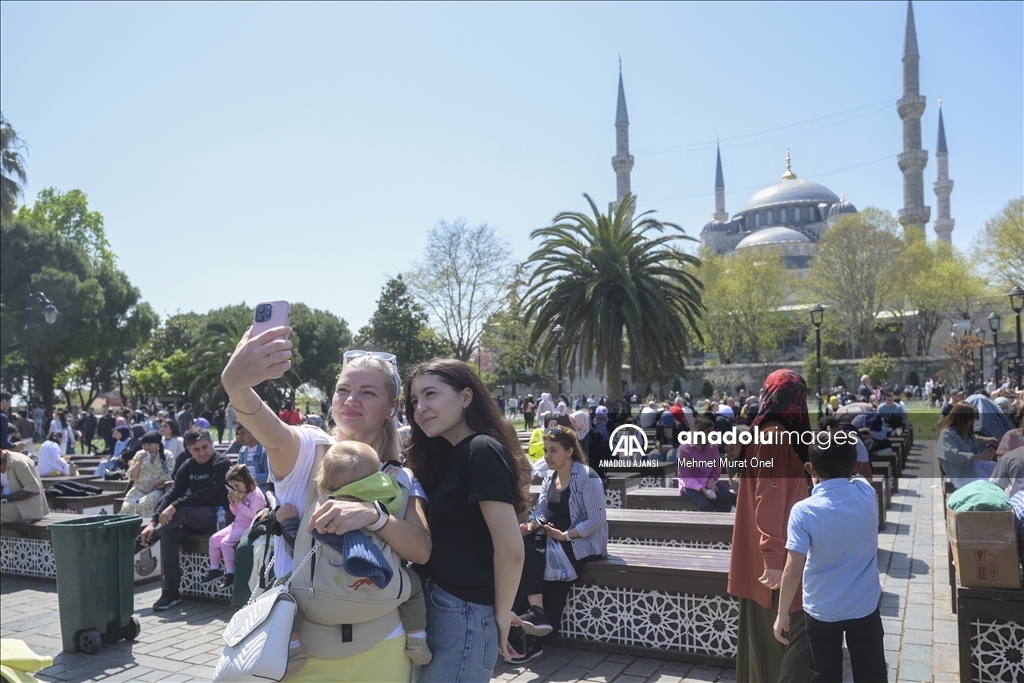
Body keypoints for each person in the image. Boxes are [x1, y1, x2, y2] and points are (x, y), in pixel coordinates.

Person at [221, 330, 431, 683]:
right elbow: (268, 428)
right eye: (344, 390)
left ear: (392, 408)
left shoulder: (401, 476)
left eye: (368, 393)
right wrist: (236, 386)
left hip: (385, 649)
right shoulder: (306, 450)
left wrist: (375, 516)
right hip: (299, 655)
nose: (351, 400)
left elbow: (421, 549)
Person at [404, 359, 531, 681]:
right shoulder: (446, 456)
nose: (420, 407)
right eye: (415, 400)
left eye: (430, 394)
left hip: (465, 614)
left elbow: (510, 548)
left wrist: (501, 616)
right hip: (441, 607)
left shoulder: (482, 450)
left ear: (465, 396)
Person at [276, 440, 432, 666]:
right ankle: (417, 640)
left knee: (285, 591)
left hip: (318, 603)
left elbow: (299, 547)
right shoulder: (390, 495)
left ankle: (292, 650)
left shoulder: (323, 506)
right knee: (413, 585)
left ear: (324, 479)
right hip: (384, 599)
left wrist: (288, 522)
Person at [774, 439, 886, 683]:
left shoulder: (803, 511)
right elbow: (854, 476)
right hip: (864, 604)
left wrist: (782, 614)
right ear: (855, 466)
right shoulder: (866, 492)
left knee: (824, 674)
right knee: (873, 673)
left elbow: (792, 570)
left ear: (809, 469)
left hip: (822, 608)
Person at [729, 369, 812, 683]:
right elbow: (769, 498)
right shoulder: (775, 435)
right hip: (776, 559)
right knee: (781, 636)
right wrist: (774, 559)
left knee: (766, 638)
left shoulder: (766, 432)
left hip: (768, 552)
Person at [516, 425, 607, 662]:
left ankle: (537, 633)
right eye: (545, 450)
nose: (547, 456)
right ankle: (535, 619)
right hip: (552, 537)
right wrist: (531, 526)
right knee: (524, 547)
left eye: (553, 450)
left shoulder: (587, 476)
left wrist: (565, 536)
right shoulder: (549, 477)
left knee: (536, 558)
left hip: (581, 541)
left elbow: (596, 520)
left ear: (569, 451)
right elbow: (542, 513)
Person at [138, 427, 231, 611]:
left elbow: (206, 494)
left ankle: (143, 542)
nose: (202, 452)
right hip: (192, 518)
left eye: (205, 447)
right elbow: (172, 494)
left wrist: (176, 506)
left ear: (211, 443)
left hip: (220, 518)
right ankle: (171, 592)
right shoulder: (187, 466)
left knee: (183, 511)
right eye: (196, 449)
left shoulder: (222, 463)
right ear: (188, 449)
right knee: (169, 535)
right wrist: (153, 522)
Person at [201, 464, 266, 591]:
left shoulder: (256, 494)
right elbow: (237, 513)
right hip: (237, 524)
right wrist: (233, 504)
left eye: (237, 485)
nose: (235, 488)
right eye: (232, 487)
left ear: (245, 480)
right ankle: (214, 570)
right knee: (213, 539)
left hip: (249, 526)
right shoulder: (242, 493)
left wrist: (239, 503)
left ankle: (230, 573)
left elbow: (253, 515)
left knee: (226, 543)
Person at [677, 416, 735, 512]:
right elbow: (685, 476)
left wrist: (712, 479)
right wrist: (702, 489)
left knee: (728, 497)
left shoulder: (713, 446)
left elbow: (716, 467)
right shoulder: (684, 449)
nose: (711, 434)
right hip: (689, 485)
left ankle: (719, 524)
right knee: (705, 505)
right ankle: (706, 527)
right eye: (708, 431)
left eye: (712, 431)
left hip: (708, 481)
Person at [937, 402, 998, 489]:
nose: (972, 421)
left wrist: (985, 439)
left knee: (1001, 471)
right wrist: (981, 456)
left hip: (975, 464)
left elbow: (967, 439)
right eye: (970, 418)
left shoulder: (961, 430)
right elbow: (953, 454)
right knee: (991, 484)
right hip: (962, 471)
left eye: (974, 418)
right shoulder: (946, 434)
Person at [120, 430, 174, 520]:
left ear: (158, 445)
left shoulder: (167, 455)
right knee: (128, 506)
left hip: (157, 489)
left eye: (149, 445)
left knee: (145, 504)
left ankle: (146, 529)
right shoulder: (139, 454)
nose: (146, 448)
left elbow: (169, 474)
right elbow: (132, 475)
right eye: (144, 445)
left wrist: (153, 484)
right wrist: (139, 462)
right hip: (138, 488)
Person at [0, 449, 49, 524]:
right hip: (8, 506)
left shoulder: (19, 462)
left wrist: (4, 498)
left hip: (25, 509)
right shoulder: (3, 460)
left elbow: (33, 491)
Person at [234, 424, 269, 491]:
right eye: (238, 434)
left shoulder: (264, 450)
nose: (240, 437)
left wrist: (250, 479)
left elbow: (269, 476)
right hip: (246, 489)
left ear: (253, 433)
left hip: (262, 490)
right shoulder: (242, 450)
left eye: (243, 434)